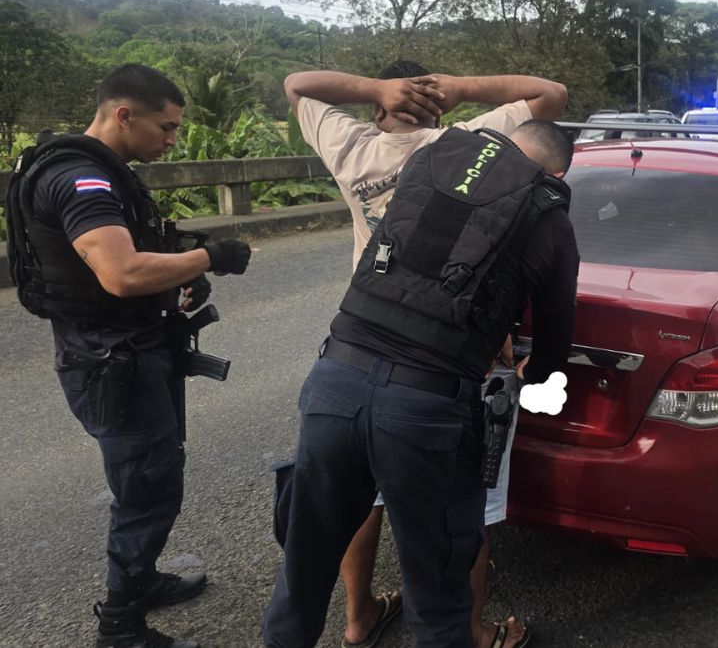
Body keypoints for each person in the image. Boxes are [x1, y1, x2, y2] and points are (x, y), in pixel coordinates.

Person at [262, 98, 579, 647]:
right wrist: (531, 368)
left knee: (304, 571)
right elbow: (554, 344)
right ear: (555, 174)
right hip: (427, 410)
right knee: (437, 595)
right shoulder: (549, 217)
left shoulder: (431, 164)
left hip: (335, 378)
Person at [5, 64, 252, 648]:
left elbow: (130, 261)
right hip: (112, 361)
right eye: (165, 128)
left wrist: (178, 281)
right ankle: (120, 624)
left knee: (155, 474)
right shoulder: (80, 178)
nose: (172, 141)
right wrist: (211, 258)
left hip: (125, 349)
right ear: (124, 115)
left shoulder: (102, 171)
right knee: (147, 487)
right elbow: (120, 272)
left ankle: (140, 580)